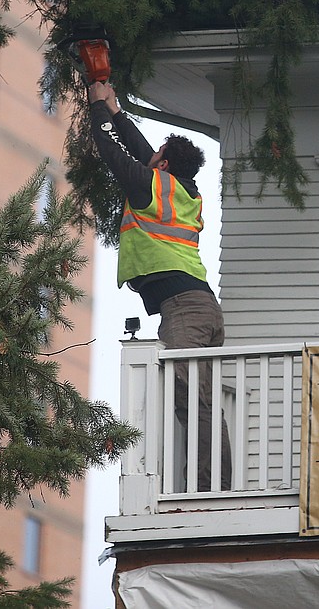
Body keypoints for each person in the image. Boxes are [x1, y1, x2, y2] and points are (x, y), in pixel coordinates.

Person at [87, 80, 232, 492]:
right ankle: (211, 482)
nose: (150, 160)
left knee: (193, 400)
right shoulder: (185, 191)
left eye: (157, 158)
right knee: (199, 399)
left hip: (185, 308)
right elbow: (141, 150)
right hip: (200, 305)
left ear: (163, 166)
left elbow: (114, 153)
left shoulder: (151, 185)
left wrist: (98, 110)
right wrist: (116, 111)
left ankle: (209, 489)